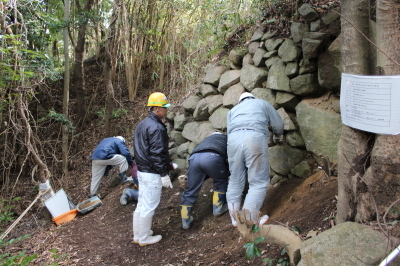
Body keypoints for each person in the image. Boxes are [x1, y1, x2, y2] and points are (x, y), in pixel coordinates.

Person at [226, 92, 284, 226]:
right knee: (258, 181)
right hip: (254, 136)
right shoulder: (262, 103)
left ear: (240, 101)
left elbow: (229, 131)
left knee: (235, 179)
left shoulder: (233, 110)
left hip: (233, 140)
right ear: (252, 98)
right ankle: (249, 221)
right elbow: (278, 124)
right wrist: (278, 136)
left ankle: (235, 219)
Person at [132, 92, 173, 246]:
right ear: (156, 109)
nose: (166, 111)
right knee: (149, 206)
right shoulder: (157, 128)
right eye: (164, 108)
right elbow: (157, 154)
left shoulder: (142, 124)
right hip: (152, 173)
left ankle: (138, 235)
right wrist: (164, 174)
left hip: (142, 170)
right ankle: (144, 238)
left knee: (142, 204)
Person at [179, 132, 230, 229]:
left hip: (194, 158)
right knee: (221, 181)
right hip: (213, 156)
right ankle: (218, 207)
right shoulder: (225, 139)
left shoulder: (206, 140)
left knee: (191, 189)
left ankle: (185, 220)